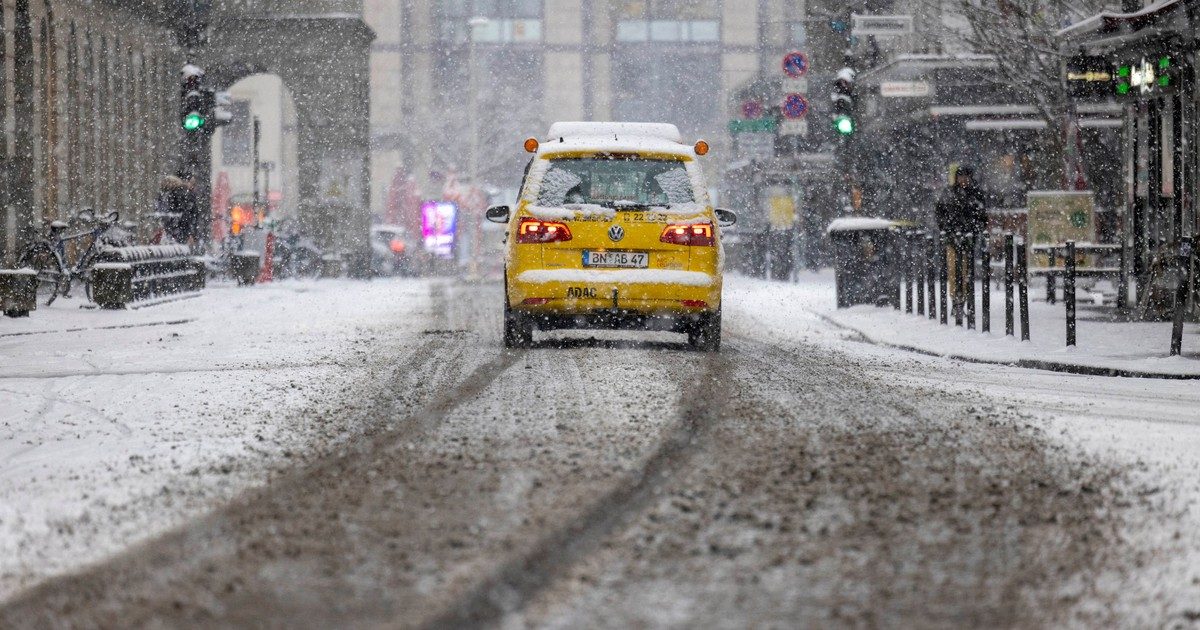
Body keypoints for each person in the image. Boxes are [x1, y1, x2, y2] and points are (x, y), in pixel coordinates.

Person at [934, 165, 987, 310]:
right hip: (952, 237)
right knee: (953, 269)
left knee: (966, 270)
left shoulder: (975, 194)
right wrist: (947, 228)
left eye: (965, 176)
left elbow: (982, 217)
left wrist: (974, 229)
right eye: (960, 176)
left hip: (968, 238)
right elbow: (940, 212)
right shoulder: (950, 193)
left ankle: (963, 299)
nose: (963, 179)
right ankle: (956, 299)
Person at [155, 172, 201, 247]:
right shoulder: (184, 193)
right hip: (182, 229)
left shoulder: (177, 193)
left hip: (179, 230)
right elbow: (189, 214)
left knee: (178, 250)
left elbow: (183, 214)